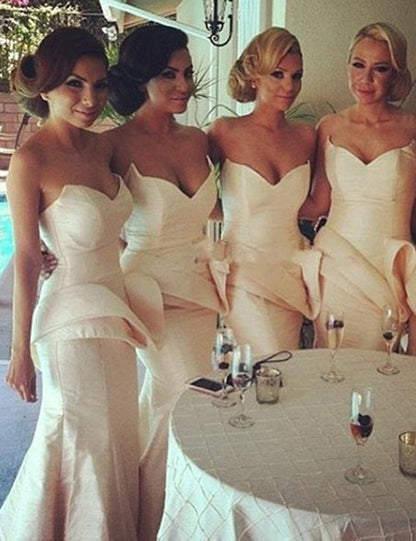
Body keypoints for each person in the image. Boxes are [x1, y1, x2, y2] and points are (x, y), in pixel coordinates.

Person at [0, 27, 151, 540]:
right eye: (74, 84)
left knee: (119, 436)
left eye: (99, 84)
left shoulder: (105, 147)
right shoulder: (30, 161)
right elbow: (26, 258)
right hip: (68, 321)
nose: (90, 98)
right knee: (83, 439)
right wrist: (19, 352)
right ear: (45, 87)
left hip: (116, 312)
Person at [106, 24, 228, 540]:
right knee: (187, 398)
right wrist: (55, 249)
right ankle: (167, 520)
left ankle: (156, 516)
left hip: (202, 291)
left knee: (174, 403)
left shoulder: (199, 139)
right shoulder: (112, 144)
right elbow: (78, 203)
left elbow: (226, 205)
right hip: (150, 293)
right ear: (140, 79)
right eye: (168, 74)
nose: (183, 85)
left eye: (186, 73)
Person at [300, 22, 416, 352]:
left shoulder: (412, 127)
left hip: (389, 269)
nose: (365, 79)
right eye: (358, 65)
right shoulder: (329, 127)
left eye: (380, 69)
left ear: (395, 74)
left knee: (380, 367)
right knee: (331, 363)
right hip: (336, 265)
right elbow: (318, 203)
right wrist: (257, 201)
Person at [208, 27, 321, 354]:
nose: (289, 86)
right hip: (243, 273)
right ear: (255, 76)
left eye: (297, 76)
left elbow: (314, 203)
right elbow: (195, 197)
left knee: (287, 363)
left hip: (290, 272)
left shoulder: (307, 136)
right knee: (261, 359)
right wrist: (233, 213)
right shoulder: (224, 131)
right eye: (278, 74)